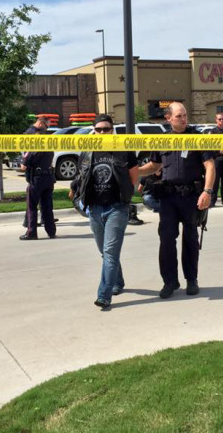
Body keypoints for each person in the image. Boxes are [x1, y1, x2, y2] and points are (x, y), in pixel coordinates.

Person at [138, 102, 215, 299]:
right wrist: (135, 172)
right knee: (166, 240)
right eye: (179, 115)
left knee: (190, 239)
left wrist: (207, 191)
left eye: (185, 115)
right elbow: (155, 165)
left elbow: (210, 165)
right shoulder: (162, 140)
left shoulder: (197, 138)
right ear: (168, 118)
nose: (183, 118)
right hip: (168, 197)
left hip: (191, 196)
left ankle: (192, 279)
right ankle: (170, 282)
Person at [71, 114, 138, 309]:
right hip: (94, 208)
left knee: (109, 252)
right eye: (98, 129)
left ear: (112, 130)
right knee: (105, 252)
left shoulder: (123, 149)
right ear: (93, 130)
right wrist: (75, 188)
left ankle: (104, 295)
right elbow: (81, 175)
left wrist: (125, 196)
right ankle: (117, 281)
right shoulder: (87, 150)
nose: (102, 132)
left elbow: (133, 177)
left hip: (116, 208)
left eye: (106, 129)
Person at [20, 115, 56, 240]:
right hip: (48, 177)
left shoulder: (33, 139)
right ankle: (51, 231)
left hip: (37, 178)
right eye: (46, 126)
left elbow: (24, 164)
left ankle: (31, 232)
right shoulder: (47, 140)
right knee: (47, 206)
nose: (46, 129)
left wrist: (24, 163)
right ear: (41, 123)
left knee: (32, 206)